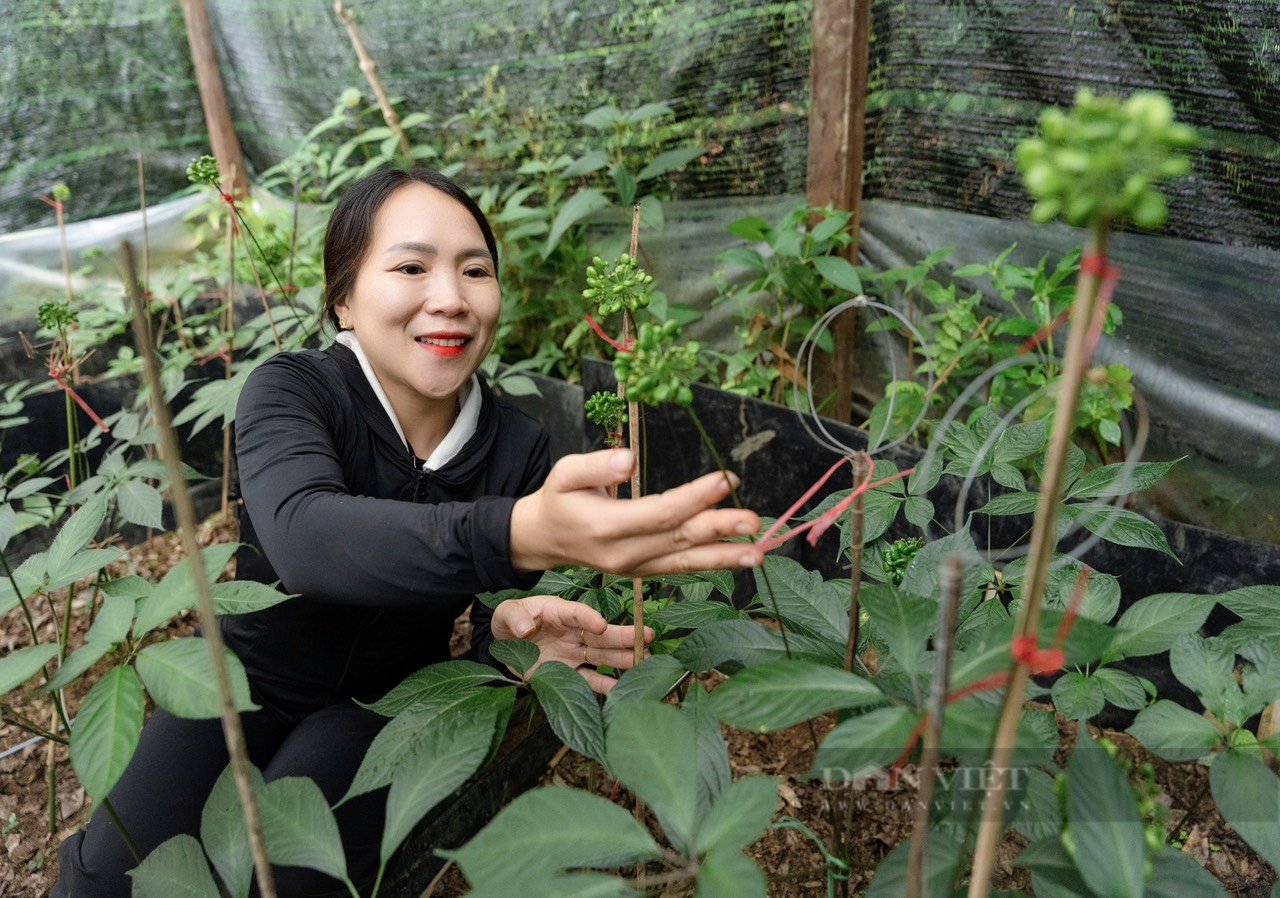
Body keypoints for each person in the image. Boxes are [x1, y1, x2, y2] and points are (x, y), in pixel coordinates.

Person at [53, 167, 763, 897]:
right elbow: (305, 537)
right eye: (411, 267)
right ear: (344, 299)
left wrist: (517, 635)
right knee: (109, 873)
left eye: (475, 270)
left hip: (386, 702)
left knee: (294, 877)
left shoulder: (518, 447)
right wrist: (514, 532)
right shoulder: (293, 390)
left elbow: (495, 615)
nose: (450, 298)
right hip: (244, 678)